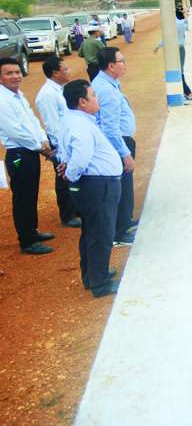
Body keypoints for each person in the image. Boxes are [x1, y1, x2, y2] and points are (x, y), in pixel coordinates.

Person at [59, 80, 122, 297]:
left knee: (92, 232)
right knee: (100, 233)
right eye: (93, 95)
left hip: (93, 184)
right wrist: (71, 175)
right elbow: (81, 156)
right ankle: (99, 282)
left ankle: (92, 275)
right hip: (97, 185)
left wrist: (71, 173)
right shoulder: (80, 125)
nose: (97, 99)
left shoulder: (74, 120)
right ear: (82, 102)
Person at [0, 58, 56, 254]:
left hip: (31, 151)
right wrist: (40, 147)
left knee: (31, 194)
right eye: (9, 73)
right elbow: (15, 132)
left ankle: (32, 231)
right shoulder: (2, 100)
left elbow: (32, 121)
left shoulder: (18, 95)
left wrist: (43, 139)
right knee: (23, 197)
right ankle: (27, 241)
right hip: (19, 154)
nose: (15, 76)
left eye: (17, 72)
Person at [92, 48, 137, 245]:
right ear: (111, 66)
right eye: (122, 61)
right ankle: (120, 232)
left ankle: (125, 221)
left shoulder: (108, 84)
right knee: (122, 187)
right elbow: (110, 128)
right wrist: (125, 153)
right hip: (118, 144)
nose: (125, 64)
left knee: (124, 186)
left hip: (120, 142)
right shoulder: (107, 90)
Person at [35, 56, 80, 227]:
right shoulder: (47, 95)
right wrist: (60, 150)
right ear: (55, 73)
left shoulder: (58, 90)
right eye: (65, 69)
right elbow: (52, 125)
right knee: (63, 177)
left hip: (68, 140)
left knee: (72, 174)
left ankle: (75, 209)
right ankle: (67, 215)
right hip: (60, 143)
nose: (69, 71)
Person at [155, 10, 192, 100]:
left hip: (174, 50)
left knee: (176, 71)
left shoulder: (171, 25)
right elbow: (186, 25)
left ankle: (188, 92)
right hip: (182, 49)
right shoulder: (181, 23)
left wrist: (158, 46)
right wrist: (186, 16)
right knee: (181, 70)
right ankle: (186, 92)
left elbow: (166, 38)